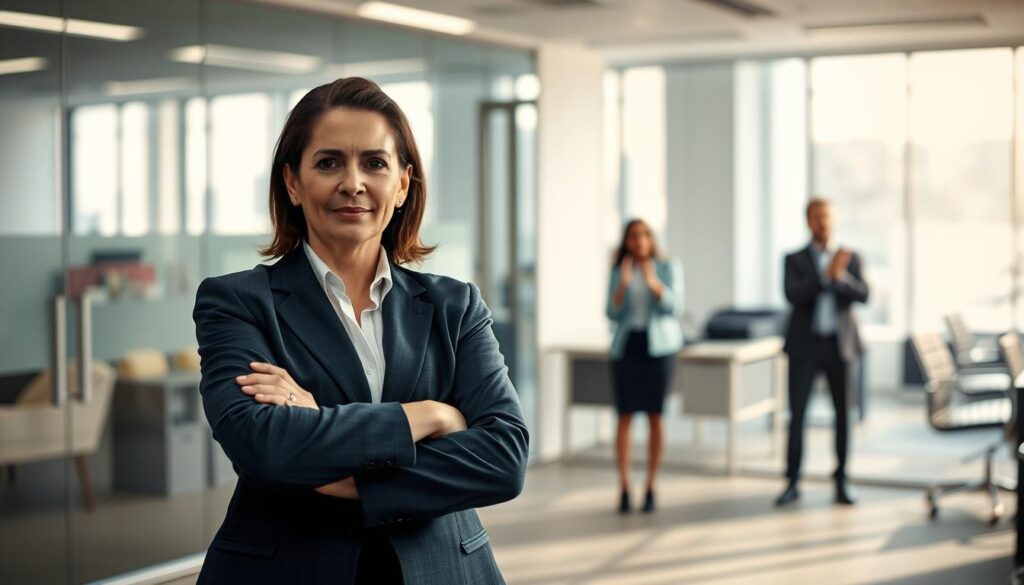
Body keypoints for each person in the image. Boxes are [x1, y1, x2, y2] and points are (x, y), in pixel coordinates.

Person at [192, 77, 529, 585]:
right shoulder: (237, 301)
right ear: (292, 182)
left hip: (440, 569)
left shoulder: (454, 305)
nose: (353, 182)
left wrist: (337, 458)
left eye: (374, 163)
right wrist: (431, 415)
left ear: (402, 184)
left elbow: (504, 457)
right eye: (329, 163)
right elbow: (265, 446)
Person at [776, 197, 868, 507]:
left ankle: (842, 479)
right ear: (807, 221)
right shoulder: (794, 259)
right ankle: (792, 481)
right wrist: (823, 275)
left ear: (834, 219)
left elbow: (864, 294)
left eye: (826, 216)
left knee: (843, 415)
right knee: (797, 414)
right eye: (816, 217)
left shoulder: (850, 258)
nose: (822, 222)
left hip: (839, 346)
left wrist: (839, 276)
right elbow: (792, 295)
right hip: (805, 346)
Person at [605, 219, 684, 513]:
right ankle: (624, 485)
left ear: (651, 239)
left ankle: (650, 484)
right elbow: (611, 312)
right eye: (632, 236)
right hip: (627, 347)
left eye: (643, 236)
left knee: (655, 416)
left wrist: (653, 283)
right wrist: (623, 286)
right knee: (624, 417)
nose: (638, 241)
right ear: (626, 241)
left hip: (659, 348)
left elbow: (674, 307)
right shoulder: (619, 270)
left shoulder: (667, 267)